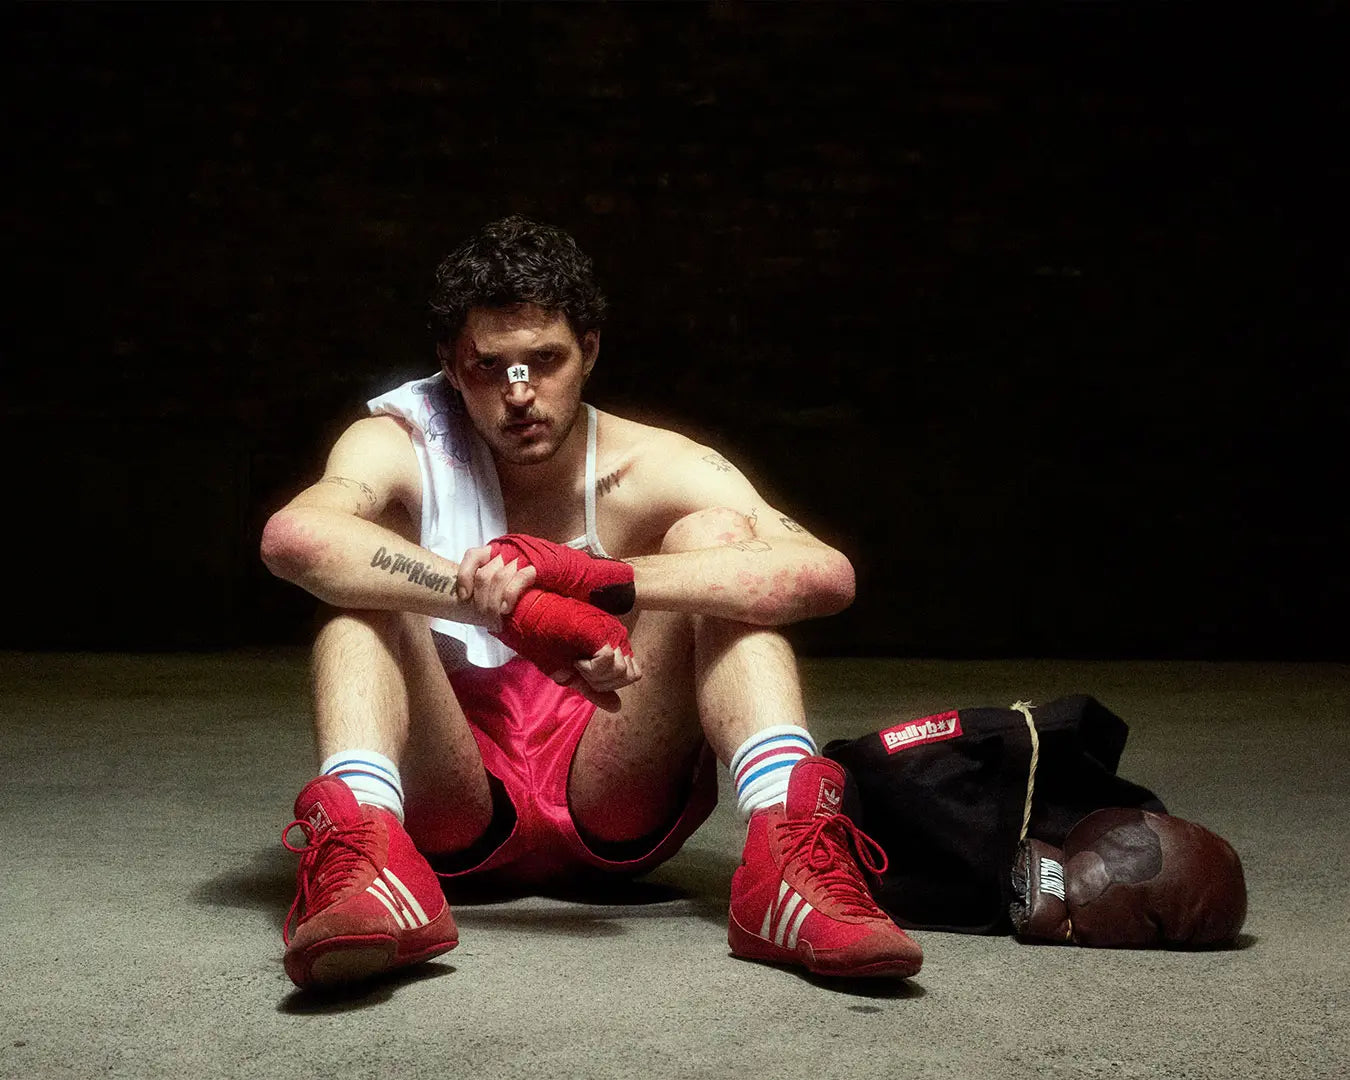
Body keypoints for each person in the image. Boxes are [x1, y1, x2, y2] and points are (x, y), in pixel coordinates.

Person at [260, 214, 923, 989]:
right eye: (489, 366)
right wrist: (502, 608)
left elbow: (824, 573)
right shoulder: (403, 444)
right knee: (361, 575)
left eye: (545, 360)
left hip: (613, 782)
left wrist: (606, 583)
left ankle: (789, 864)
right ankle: (370, 857)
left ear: (591, 351)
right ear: (449, 363)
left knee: (717, 534)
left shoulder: (652, 464)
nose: (521, 394)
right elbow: (295, 536)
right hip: (457, 793)